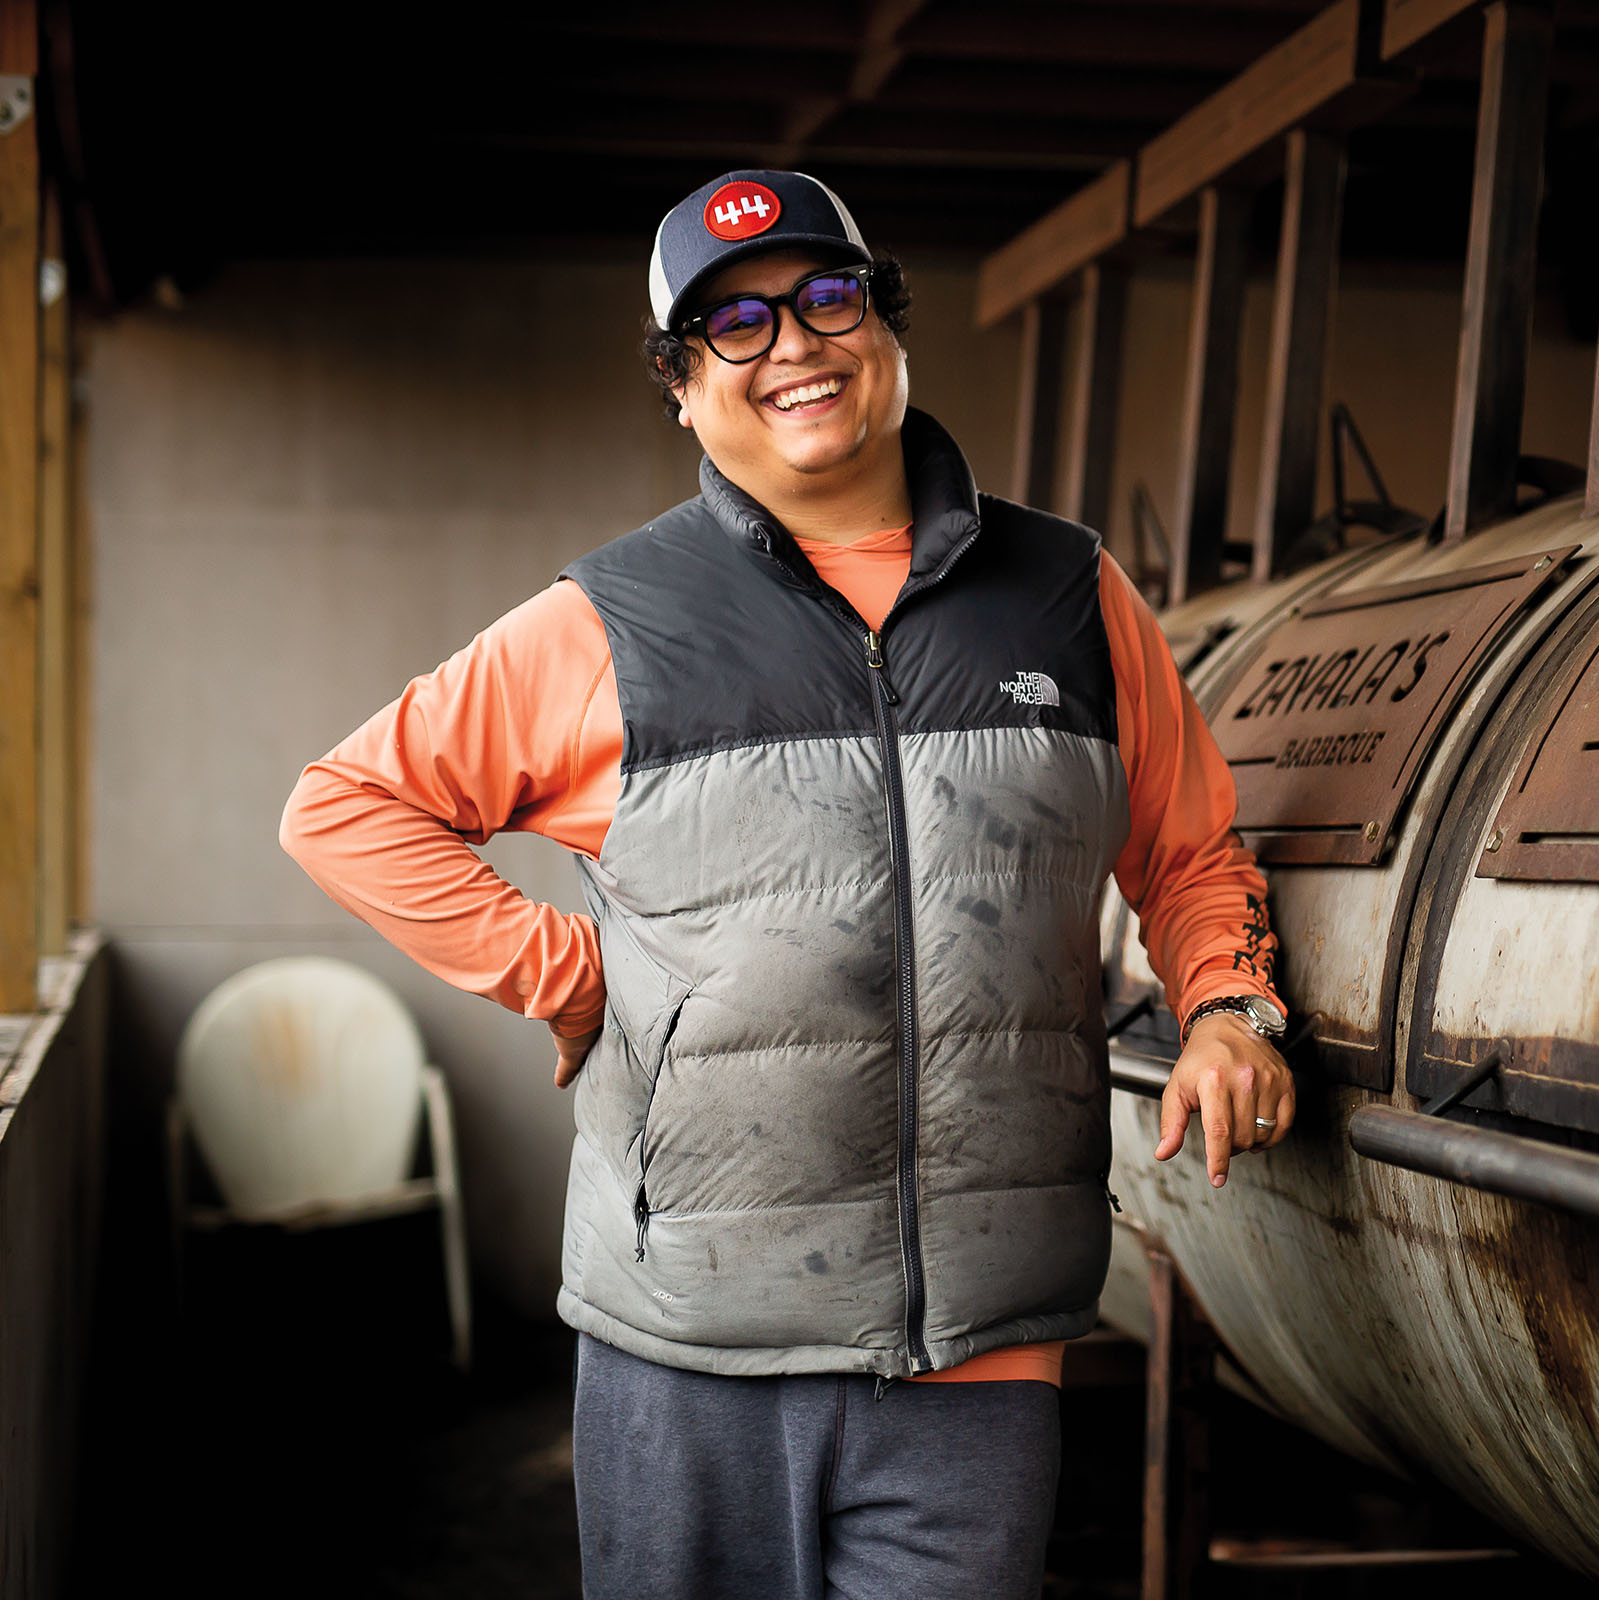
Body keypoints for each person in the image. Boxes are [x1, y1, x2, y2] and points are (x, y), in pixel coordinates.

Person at [280, 168, 1292, 1600]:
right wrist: (570, 976)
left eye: (827, 296)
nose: (794, 345)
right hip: (686, 1345)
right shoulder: (607, 622)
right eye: (734, 327)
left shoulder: (1069, 595)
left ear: (883, 322)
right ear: (680, 388)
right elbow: (347, 806)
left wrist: (1233, 1006)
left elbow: (1190, 852)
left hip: (982, 1356)